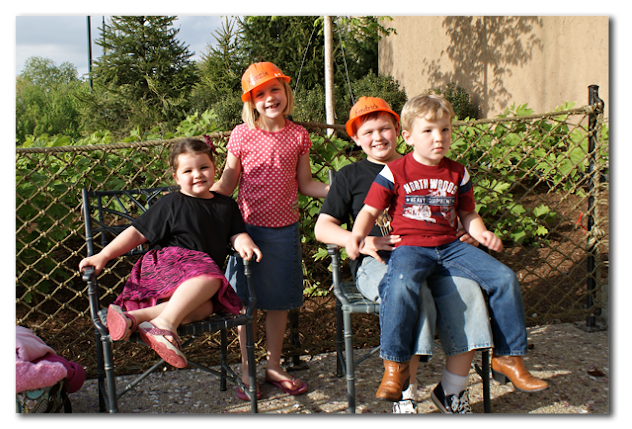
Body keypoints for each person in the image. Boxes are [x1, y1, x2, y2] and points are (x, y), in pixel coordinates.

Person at [346, 94, 549, 405]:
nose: (438, 138)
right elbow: (370, 210)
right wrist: (357, 236)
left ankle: (509, 357)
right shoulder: (394, 171)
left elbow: (467, 213)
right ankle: (395, 366)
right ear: (408, 136)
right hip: (411, 248)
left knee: (504, 277)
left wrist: (481, 233)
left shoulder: (457, 172)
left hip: (451, 248)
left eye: (445, 129)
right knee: (399, 284)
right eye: (428, 131)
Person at [315, 96, 493, 413]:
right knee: (412, 290)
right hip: (379, 263)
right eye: (368, 132)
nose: (378, 137)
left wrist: (469, 234)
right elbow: (322, 228)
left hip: (438, 256)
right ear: (355, 138)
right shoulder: (350, 176)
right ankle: (405, 394)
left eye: (384, 128)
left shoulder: (432, 164)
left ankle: (452, 390)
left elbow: (458, 214)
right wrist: (362, 241)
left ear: (400, 130)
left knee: (469, 289)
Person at [79, 137, 262, 369]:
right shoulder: (172, 203)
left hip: (198, 285)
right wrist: (103, 255)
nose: (197, 174)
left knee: (206, 307)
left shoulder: (226, 205)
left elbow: (236, 233)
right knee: (211, 277)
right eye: (188, 171)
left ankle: (136, 318)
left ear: (215, 168)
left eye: (203, 167)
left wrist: (244, 241)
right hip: (167, 269)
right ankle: (164, 323)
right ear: (176, 178)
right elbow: (136, 233)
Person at [210, 62, 329, 400]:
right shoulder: (241, 134)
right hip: (245, 233)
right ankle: (248, 368)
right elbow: (228, 183)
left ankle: (273, 366)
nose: (269, 97)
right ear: (251, 102)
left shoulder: (298, 135)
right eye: (259, 93)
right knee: (245, 303)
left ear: (285, 92)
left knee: (278, 303)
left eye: (274, 89)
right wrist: (199, 199)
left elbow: (306, 184)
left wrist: (339, 191)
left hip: (283, 233)